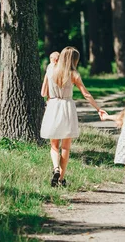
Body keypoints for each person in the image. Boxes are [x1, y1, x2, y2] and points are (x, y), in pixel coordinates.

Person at [40, 46, 105, 187]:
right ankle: (61, 179)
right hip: (67, 107)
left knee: (53, 145)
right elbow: (86, 94)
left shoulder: (50, 69)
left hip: (53, 106)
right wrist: (99, 109)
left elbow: (43, 93)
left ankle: (55, 168)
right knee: (66, 147)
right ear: (74, 60)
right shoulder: (73, 74)